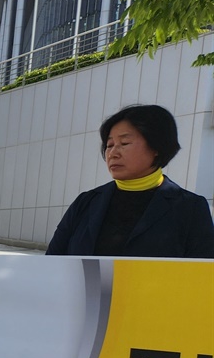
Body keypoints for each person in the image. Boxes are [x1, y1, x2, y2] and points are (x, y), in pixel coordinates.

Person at [47, 104, 214, 258]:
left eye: (124, 143)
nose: (113, 153)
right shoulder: (86, 202)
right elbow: (52, 262)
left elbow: (202, 276)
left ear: (157, 147)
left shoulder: (190, 208)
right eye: (110, 145)